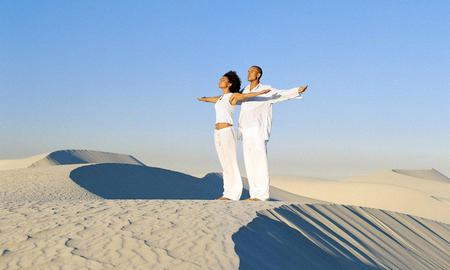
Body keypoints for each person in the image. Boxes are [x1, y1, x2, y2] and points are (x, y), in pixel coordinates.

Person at [239, 65, 308, 201]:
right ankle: (254, 194)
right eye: (248, 71)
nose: (249, 73)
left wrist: (297, 90)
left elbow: (280, 94)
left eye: (251, 71)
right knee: (249, 162)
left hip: (258, 129)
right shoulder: (245, 90)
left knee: (260, 162)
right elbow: (233, 99)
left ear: (258, 75)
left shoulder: (266, 89)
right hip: (245, 130)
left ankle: (262, 194)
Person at [198, 71, 270, 200]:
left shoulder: (234, 96)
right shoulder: (220, 98)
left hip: (227, 131)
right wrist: (204, 99)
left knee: (230, 161)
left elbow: (246, 96)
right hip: (217, 132)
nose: (220, 80)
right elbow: (212, 99)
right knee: (224, 163)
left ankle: (233, 193)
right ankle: (227, 193)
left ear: (230, 83)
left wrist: (260, 92)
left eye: (223, 79)